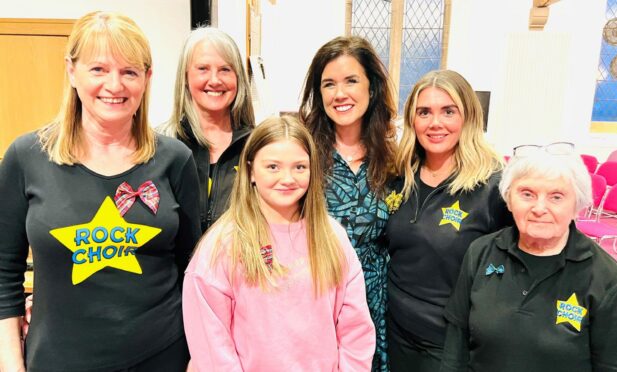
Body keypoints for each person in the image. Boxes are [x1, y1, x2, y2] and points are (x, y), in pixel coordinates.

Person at [0, 11, 201, 372]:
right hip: (57, 360)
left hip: (162, 357)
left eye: (129, 71)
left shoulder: (175, 159)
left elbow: (194, 271)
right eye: (98, 69)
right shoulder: (25, 157)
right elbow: (3, 272)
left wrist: (197, 359)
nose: (115, 85)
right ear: (71, 71)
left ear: (147, 78)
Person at [182, 116, 376, 371]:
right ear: (251, 171)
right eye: (273, 167)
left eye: (299, 167)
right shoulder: (222, 244)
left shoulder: (332, 237)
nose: (287, 178)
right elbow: (211, 344)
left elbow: (355, 330)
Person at [440, 143, 617, 371]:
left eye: (556, 197)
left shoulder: (608, 279)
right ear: (509, 199)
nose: (539, 208)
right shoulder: (481, 251)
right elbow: (456, 345)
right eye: (527, 194)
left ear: (577, 205)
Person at [385, 69, 512, 371]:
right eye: (424, 112)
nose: (435, 123)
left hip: (450, 343)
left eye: (448, 111)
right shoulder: (399, 177)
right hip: (394, 330)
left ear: (467, 117)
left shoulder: (493, 186)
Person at [299, 35, 397, 372]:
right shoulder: (303, 153)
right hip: (316, 298)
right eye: (329, 84)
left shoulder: (394, 159)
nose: (340, 93)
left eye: (351, 80)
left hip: (376, 303)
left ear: (371, 89)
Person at [159, 26, 255, 232]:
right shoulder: (160, 145)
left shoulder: (258, 146)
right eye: (203, 68)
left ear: (238, 78)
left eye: (225, 69)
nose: (214, 80)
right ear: (185, 77)